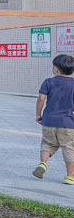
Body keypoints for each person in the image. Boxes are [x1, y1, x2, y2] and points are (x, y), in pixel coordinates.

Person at [33, 54, 74, 185]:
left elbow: (41, 98)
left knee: (47, 144)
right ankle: (69, 176)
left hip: (49, 121)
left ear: (56, 69)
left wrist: (38, 114)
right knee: (68, 148)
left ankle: (43, 163)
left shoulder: (48, 82)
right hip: (67, 123)